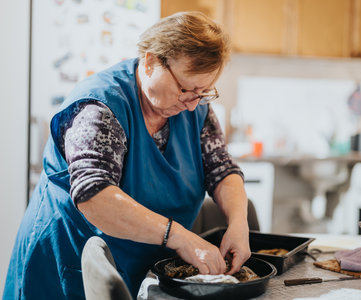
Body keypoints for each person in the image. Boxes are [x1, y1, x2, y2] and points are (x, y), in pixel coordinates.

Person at [4, 11, 250, 299]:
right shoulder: (100, 107)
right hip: (70, 261)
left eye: (204, 92)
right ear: (150, 62)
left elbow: (222, 169)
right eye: (186, 89)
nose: (193, 104)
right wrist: (181, 237)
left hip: (138, 262)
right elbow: (95, 197)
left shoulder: (193, 109)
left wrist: (238, 223)